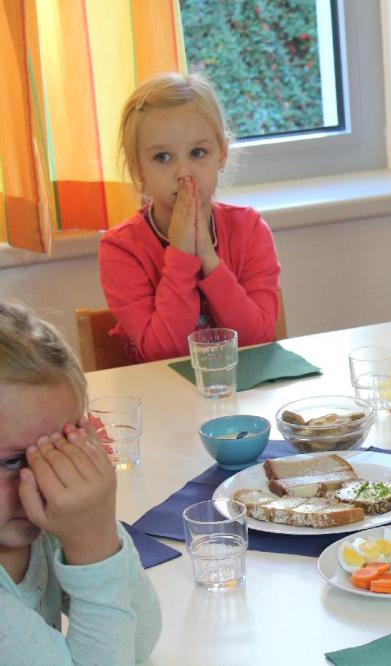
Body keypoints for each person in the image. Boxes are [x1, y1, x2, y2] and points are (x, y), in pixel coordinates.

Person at [0, 301, 161, 664]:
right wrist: (92, 547)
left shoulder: (46, 520)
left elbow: (140, 639)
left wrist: (96, 530)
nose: (47, 480)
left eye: (65, 448)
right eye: (11, 461)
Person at [100, 72, 281, 363]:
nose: (184, 173)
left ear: (221, 154)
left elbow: (257, 339)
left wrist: (208, 256)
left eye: (198, 152)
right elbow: (163, 354)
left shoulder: (249, 229)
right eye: (163, 157)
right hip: (161, 390)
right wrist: (182, 255)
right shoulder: (121, 248)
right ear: (138, 169)